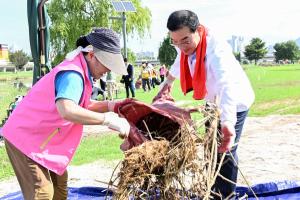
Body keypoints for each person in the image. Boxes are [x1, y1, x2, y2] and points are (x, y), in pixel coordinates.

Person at [1, 27, 130, 200]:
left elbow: (82, 106)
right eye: (107, 63)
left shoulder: (82, 71)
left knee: (60, 186)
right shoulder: (72, 73)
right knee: (42, 192)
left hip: (42, 139)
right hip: (25, 139)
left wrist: (111, 105)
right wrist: (107, 120)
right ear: (91, 55)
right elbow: (67, 109)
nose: (108, 70)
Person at [159, 10, 255, 199]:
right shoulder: (184, 45)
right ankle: (211, 189)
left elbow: (227, 85)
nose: (181, 46)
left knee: (225, 151)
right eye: (175, 42)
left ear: (198, 30)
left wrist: (227, 123)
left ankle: (225, 195)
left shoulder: (217, 49)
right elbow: (179, 60)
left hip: (234, 102)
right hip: (212, 102)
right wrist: (167, 84)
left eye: (185, 40)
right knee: (210, 148)